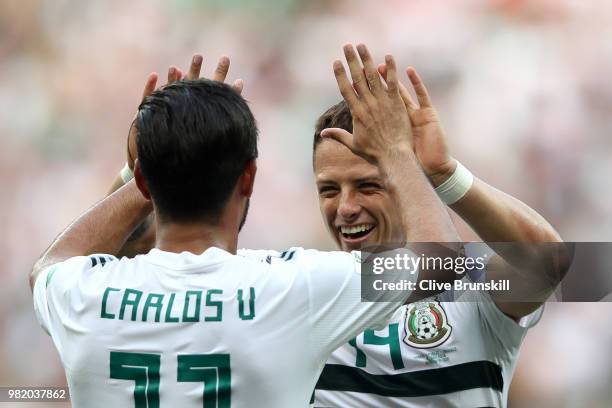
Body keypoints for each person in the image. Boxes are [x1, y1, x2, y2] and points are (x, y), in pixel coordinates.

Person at [113, 49, 567, 408]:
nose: (345, 208)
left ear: (407, 177)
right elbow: (133, 264)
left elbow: (553, 263)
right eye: (329, 190)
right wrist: (164, 163)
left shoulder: (469, 279)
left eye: (368, 185)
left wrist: (445, 172)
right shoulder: (290, 282)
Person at [30, 45, 461, 408]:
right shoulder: (295, 288)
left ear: (145, 182)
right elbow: (446, 262)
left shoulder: (80, 294)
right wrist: (398, 153)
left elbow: (51, 264)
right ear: (249, 176)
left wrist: (154, 159)